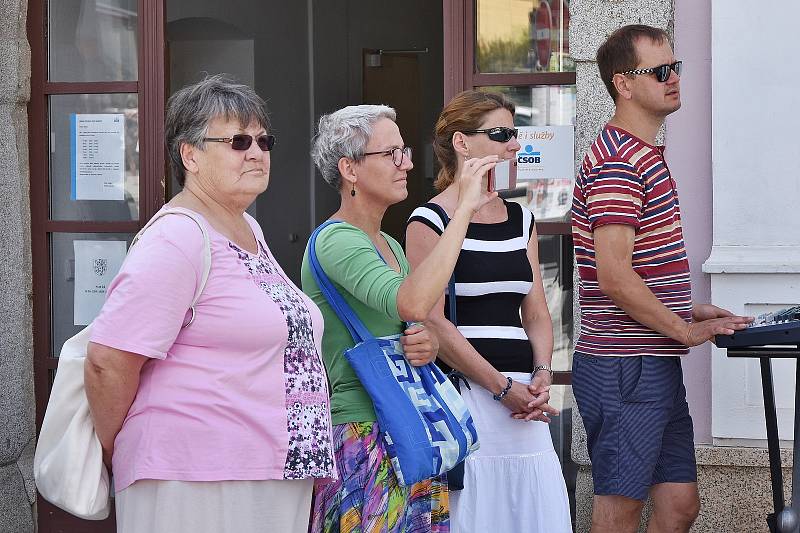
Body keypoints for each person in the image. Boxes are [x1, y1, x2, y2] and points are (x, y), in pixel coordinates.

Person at [84, 75, 336, 533]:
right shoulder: (177, 236)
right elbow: (108, 361)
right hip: (196, 474)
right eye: (238, 141)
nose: (257, 152)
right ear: (190, 155)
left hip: (269, 469)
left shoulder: (247, 230)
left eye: (264, 140)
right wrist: (116, 446)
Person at [570, 25, 752, 533]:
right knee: (620, 511)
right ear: (623, 83)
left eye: (676, 68)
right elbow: (613, 277)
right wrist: (685, 332)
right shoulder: (617, 162)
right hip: (625, 365)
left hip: (652, 361)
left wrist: (691, 310)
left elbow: (637, 272)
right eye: (659, 71)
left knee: (678, 505)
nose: (674, 78)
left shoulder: (644, 154)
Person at [301, 104, 497, 533]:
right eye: (391, 153)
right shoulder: (336, 240)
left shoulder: (387, 241)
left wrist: (424, 341)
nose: (406, 162)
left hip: (407, 430)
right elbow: (408, 303)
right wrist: (462, 209)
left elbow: (416, 319)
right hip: (364, 433)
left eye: (404, 150)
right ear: (349, 169)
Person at [405, 90, 572, 532]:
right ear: (462, 142)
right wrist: (501, 388)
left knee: (532, 512)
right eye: (500, 134)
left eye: (513, 133)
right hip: (468, 394)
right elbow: (431, 317)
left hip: (523, 400)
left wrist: (542, 373)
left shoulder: (521, 218)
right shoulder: (429, 220)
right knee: (479, 512)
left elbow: (536, 310)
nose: (513, 144)